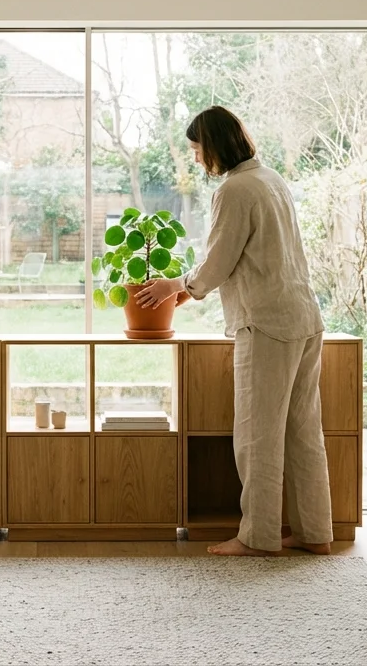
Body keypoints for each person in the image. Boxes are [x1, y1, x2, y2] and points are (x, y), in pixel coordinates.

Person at [136, 106, 331, 557]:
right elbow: (251, 256)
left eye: (198, 148)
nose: (198, 158)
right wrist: (192, 290)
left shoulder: (235, 190)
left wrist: (177, 285)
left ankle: (258, 538)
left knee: (256, 436)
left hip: (266, 324)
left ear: (215, 145)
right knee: (303, 433)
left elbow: (219, 260)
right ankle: (314, 533)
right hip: (303, 318)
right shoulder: (271, 180)